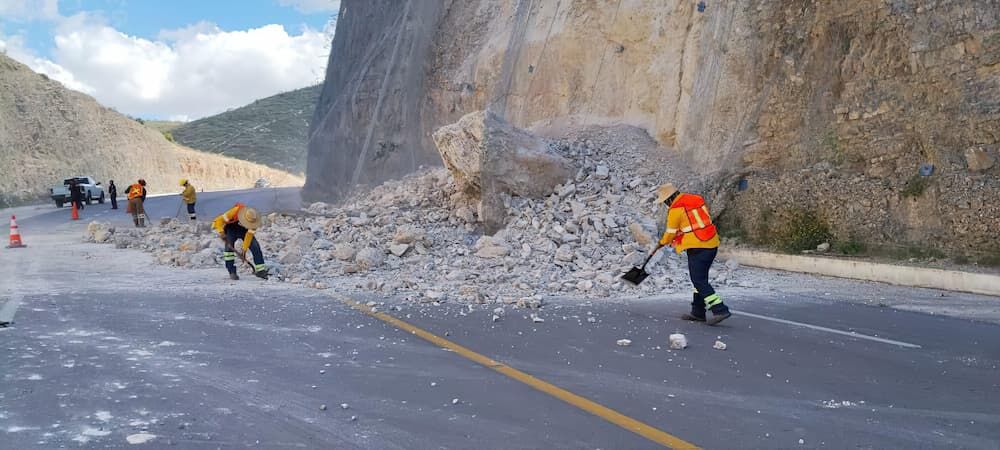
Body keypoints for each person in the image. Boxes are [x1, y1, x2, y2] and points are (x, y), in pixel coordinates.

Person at [654, 183, 731, 325]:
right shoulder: (696, 199)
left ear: (670, 198)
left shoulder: (675, 210)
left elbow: (670, 233)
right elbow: (695, 221)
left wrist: (662, 242)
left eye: (665, 201)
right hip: (712, 244)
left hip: (698, 247)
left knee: (698, 280)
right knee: (700, 279)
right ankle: (698, 312)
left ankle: (720, 309)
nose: (666, 204)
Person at [212, 203, 268, 280]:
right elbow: (218, 221)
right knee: (228, 250)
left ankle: (261, 270)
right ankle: (232, 271)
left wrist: (244, 250)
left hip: (244, 231)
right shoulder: (234, 212)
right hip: (231, 228)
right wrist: (221, 232)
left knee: (255, 247)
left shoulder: (254, 221)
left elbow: (249, 236)